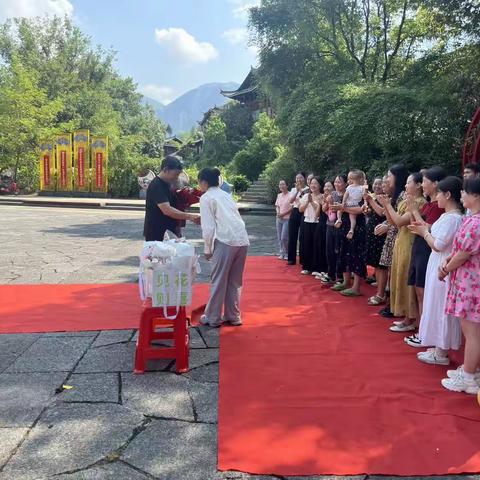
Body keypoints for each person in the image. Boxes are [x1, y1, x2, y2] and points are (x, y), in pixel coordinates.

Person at [408, 176, 463, 365]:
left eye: (439, 193)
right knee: (435, 304)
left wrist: (424, 233)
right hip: (437, 263)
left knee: (440, 307)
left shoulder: (454, 218)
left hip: (442, 264)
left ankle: (441, 351)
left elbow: (439, 244)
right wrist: (425, 228)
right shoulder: (448, 217)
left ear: (447, 195)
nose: (436, 197)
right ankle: (438, 346)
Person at [440, 176, 480, 395]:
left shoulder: (475, 223)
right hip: (470, 282)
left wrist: (445, 268)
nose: (462, 195)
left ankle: (468, 378)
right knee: (473, 330)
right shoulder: (472, 219)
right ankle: (471, 370)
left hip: (471, 284)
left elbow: (463, 254)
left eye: (465, 192)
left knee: (472, 331)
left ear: (475, 195)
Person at [198, 167, 250, 328]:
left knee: (218, 280)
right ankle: (233, 316)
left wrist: (207, 249)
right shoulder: (226, 195)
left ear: (204, 182)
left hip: (225, 240)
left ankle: (213, 317)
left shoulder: (206, 198)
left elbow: (208, 227)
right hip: (241, 239)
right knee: (234, 281)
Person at [403, 166, 446, 347]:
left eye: (425, 181)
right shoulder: (429, 204)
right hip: (419, 248)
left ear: (435, 184)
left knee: (424, 292)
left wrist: (413, 210)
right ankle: (422, 330)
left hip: (428, 251)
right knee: (419, 292)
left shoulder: (438, 207)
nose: (423, 185)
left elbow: (429, 228)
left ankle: (425, 333)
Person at [378, 172, 425, 332]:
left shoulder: (419, 203)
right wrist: (386, 205)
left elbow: (399, 221)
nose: (405, 186)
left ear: (418, 185)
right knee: (400, 278)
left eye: (408, 183)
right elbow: (394, 222)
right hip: (400, 241)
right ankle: (407, 317)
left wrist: (388, 205)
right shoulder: (407, 202)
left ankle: (413, 318)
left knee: (407, 281)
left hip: (410, 243)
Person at [374, 164, 409, 315]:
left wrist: (387, 224)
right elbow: (390, 216)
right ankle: (391, 304)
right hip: (393, 235)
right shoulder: (394, 194)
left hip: (399, 235)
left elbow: (399, 220)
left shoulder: (403, 195)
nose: (387, 179)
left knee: (395, 273)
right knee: (390, 270)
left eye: (389, 176)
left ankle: (394, 306)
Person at [143, 156, 200, 241]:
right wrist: (191, 217)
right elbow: (167, 210)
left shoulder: (170, 183)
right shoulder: (157, 186)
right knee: (158, 254)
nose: (177, 177)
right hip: (157, 232)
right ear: (166, 170)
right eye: (176, 174)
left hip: (172, 229)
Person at [363, 177, 387, 289]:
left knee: (380, 261)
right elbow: (371, 213)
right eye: (375, 184)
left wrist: (370, 201)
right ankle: (378, 281)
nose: (377, 186)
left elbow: (381, 213)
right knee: (375, 260)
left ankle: (383, 285)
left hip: (382, 232)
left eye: (380, 184)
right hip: (372, 229)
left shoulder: (384, 198)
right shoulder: (373, 197)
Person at [298, 177, 323, 275]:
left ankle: (316, 268)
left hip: (317, 223)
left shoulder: (322, 196)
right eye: (312, 183)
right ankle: (306, 266)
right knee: (306, 244)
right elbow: (300, 210)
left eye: (315, 183)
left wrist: (312, 202)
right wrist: (308, 201)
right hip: (306, 222)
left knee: (317, 245)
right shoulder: (306, 196)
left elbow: (320, 211)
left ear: (320, 185)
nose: (313, 185)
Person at [337, 170, 366, 240]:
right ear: (361, 179)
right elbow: (365, 196)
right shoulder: (362, 188)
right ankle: (351, 229)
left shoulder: (349, 187)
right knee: (352, 218)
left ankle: (339, 219)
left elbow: (346, 195)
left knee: (339, 210)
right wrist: (365, 202)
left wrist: (343, 203)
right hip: (356, 204)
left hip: (348, 203)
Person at [287, 172, 309, 265]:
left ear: (304, 179)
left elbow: (304, 199)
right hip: (295, 211)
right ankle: (291, 258)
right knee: (292, 235)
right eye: (297, 178)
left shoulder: (308, 189)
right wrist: (297, 190)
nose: (298, 180)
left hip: (304, 211)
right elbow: (291, 201)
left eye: (300, 178)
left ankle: (303, 259)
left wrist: (301, 190)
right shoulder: (293, 189)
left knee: (303, 236)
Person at [275, 180, 292, 260]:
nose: (281, 186)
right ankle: (282, 252)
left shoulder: (290, 195)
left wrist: (283, 214)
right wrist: (278, 213)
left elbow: (292, 208)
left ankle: (287, 253)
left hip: (287, 219)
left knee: (284, 237)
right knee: (279, 237)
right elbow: (277, 206)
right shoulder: (279, 195)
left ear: (287, 186)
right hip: (279, 219)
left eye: (283, 184)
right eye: (280, 184)